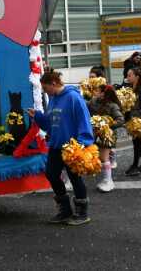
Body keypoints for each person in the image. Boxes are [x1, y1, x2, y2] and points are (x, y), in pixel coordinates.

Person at [28, 70, 94, 225]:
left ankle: (82, 212)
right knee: (51, 174)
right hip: (56, 146)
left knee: (74, 178)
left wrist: (83, 143)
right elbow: (50, 124)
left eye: (46, 88)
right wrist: (37, 116)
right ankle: (65, 211)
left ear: (53, 84)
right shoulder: (53, 99)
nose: (45, 92)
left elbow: (84, 119)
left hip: (72, 147)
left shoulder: (73, 97)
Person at [87, 84, 124, 193]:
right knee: (98, 156)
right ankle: (111, 158)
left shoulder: (113, 105)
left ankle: (108, 181)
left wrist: (106, 125)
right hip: (94, 133)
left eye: (98, 91)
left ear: (103, 93)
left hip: (107, 135)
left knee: (104, 158)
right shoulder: (93, 102)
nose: (95, 93)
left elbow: (120, 120)